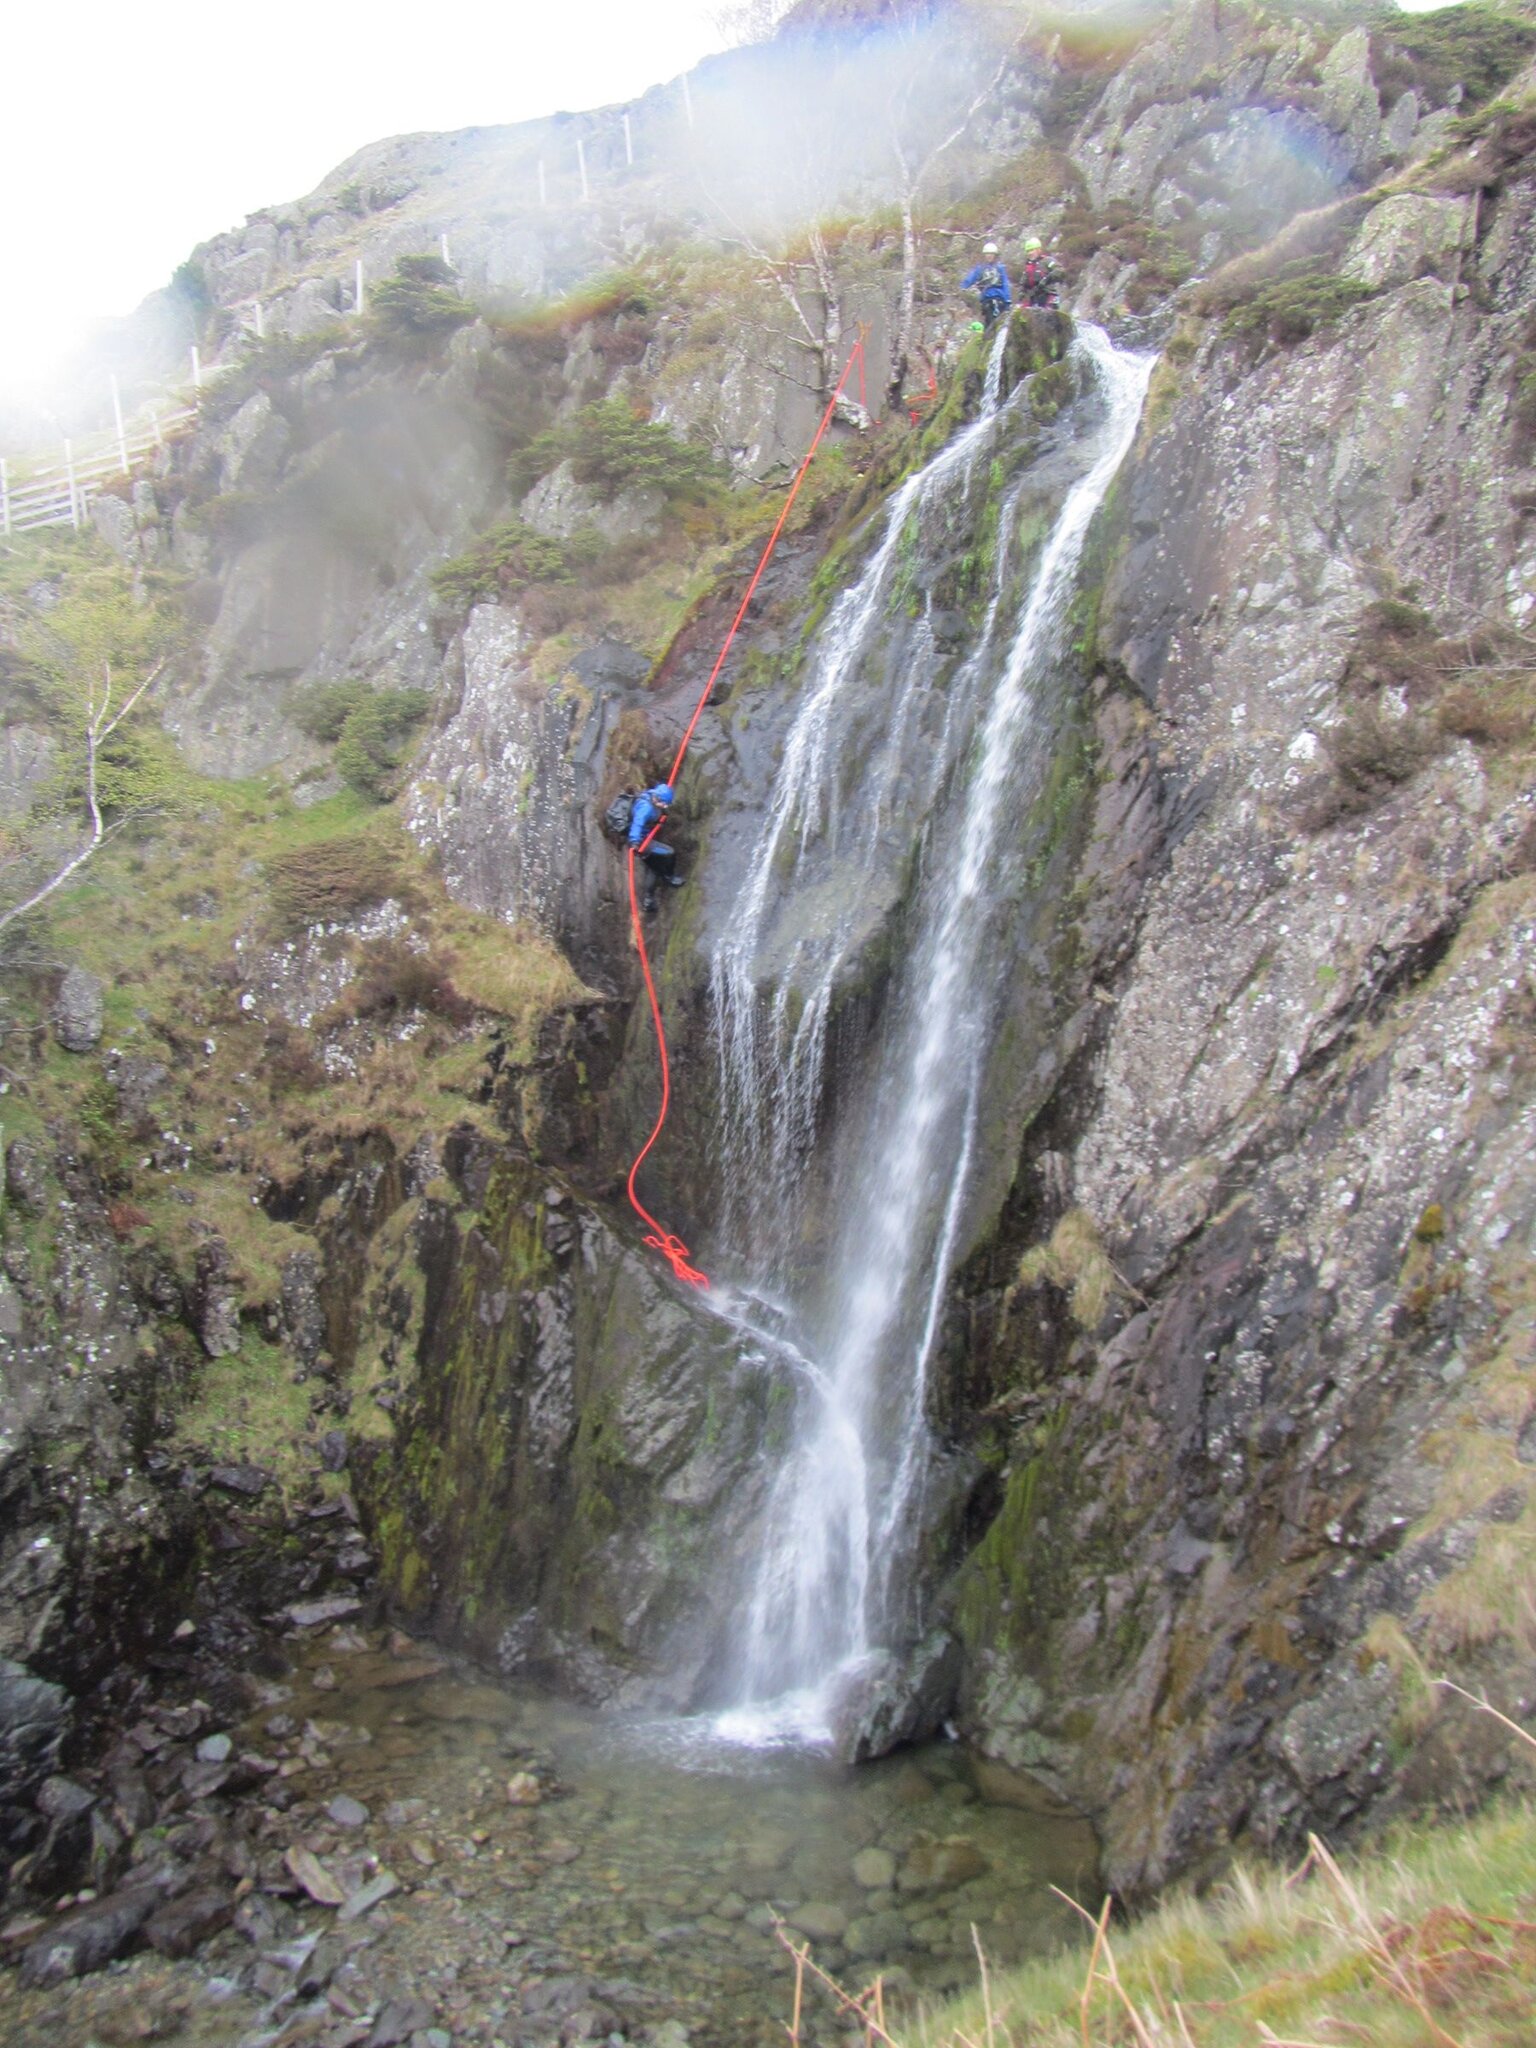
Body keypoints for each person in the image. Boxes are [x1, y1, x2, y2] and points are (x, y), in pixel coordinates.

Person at [628, 781, 686, 913]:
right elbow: (637, 823)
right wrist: (635, 841)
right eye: (664, 803)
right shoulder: (646, 808)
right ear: (657, 799)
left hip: (645, 836)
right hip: (642, 842)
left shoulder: (650, 795)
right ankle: (669, 877)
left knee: (654, 867)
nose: (665, 806)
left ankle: (648, 900)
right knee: (669, 853)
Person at [960, 242, 1012, 329]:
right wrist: (963, 287)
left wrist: (1007, 301)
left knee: (999, 324)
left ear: (995, 255)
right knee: (989, 323)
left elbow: (1005, 284)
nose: (989, 256)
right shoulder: (980, 269)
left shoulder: (1000, 268)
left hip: (1000, 300)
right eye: (987, 254)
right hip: (987, 300)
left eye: (991, 254)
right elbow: (970, 278)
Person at [1019, 235, 1061, 311]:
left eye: (1032, 250)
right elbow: (1024, 281)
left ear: (1038, 250)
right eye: (1028, 251)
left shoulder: (1047, 260)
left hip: (1048, 295)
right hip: (1034, 297)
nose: (1029, 253)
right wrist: (1022, 291)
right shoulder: (1028, 266)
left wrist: (1046, 279)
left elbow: (1059, 270)